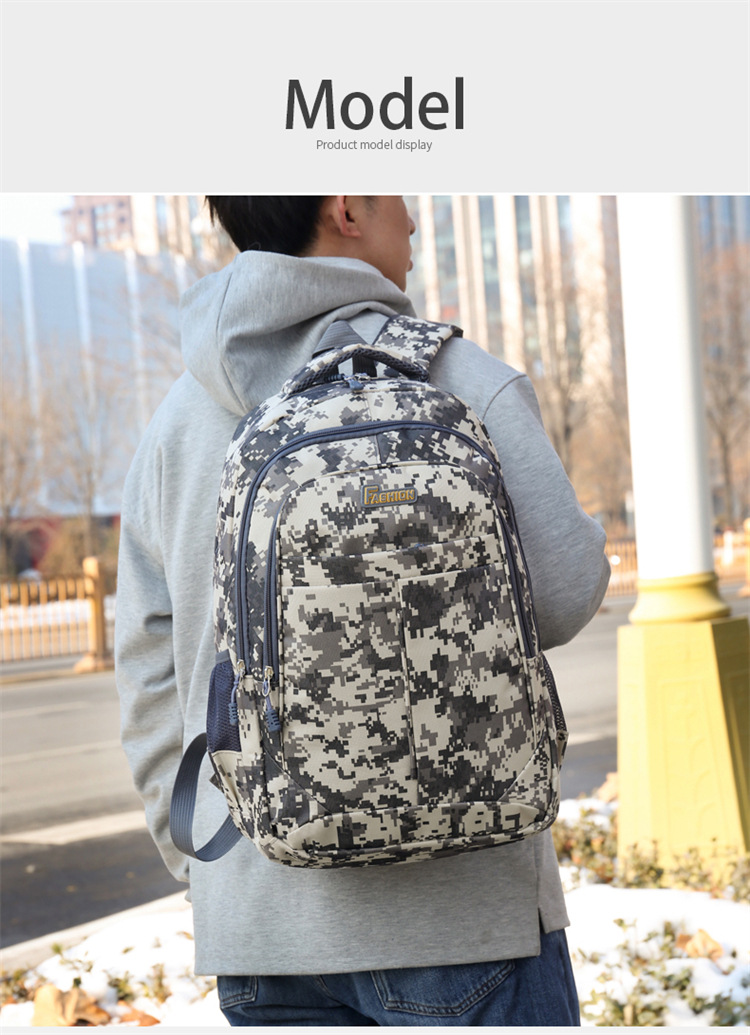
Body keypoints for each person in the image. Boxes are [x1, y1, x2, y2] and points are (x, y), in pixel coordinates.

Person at [115, 195, 610, 1026]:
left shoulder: (177, 420)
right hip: (464, 917)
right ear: (346, 207)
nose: (413, 221)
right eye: (397, 193)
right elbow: (563, 593)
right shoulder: (459, 378)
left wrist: (203, 864)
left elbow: (146, 663)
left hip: (260, 927)